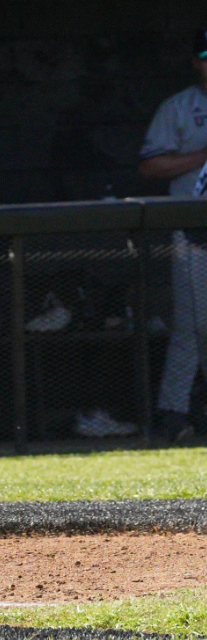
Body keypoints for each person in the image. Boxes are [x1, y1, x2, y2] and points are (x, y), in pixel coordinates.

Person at [137, 32, 207, 444]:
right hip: (194, 231)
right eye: (205, 57)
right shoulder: (179, 107)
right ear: (196, 63)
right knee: (192, 325)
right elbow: (151, 166)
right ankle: (175, 410)